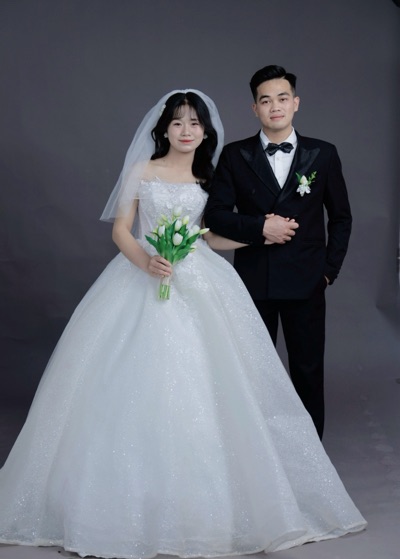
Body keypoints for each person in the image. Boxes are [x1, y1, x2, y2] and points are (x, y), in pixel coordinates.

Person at [0, 89, 365, 559]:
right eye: (178, 123)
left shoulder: (210, 177)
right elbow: (121, 230)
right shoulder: (142, 170)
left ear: (205, 131)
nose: (187, 130)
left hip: (200, 278)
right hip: (145, 274)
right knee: (127, 380)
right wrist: (147, 262)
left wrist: (260, 236)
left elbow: (212, 236)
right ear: (164, 129)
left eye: (195, 123)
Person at [204, 65, 352, 439]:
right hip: (254, 283)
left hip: (308, 281)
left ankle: (312, 455)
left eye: (282, 98)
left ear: (295, 103)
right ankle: (261, 454)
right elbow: (215, 215)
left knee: (308, 371)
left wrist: (328, 271)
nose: (275, 107)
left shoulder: (323, 154)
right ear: (254, 108)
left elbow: (341, 218)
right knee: (255, 373)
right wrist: (260, 228)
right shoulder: (235, 156)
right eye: (266, 100)